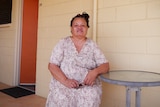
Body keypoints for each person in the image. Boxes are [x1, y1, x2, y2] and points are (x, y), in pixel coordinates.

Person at [46, 12, 109, 107]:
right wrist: (66, 81)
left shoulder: (93, 45)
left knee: (91, 97)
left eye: (83, 25)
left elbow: (105, 65)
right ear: (71, 28)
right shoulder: (63, 43)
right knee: (61, 99)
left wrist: (95, 72)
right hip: (63, 85)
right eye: (76, 25)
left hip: (87, 87)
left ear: (87, 28)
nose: (79, 28)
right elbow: (52, 65)